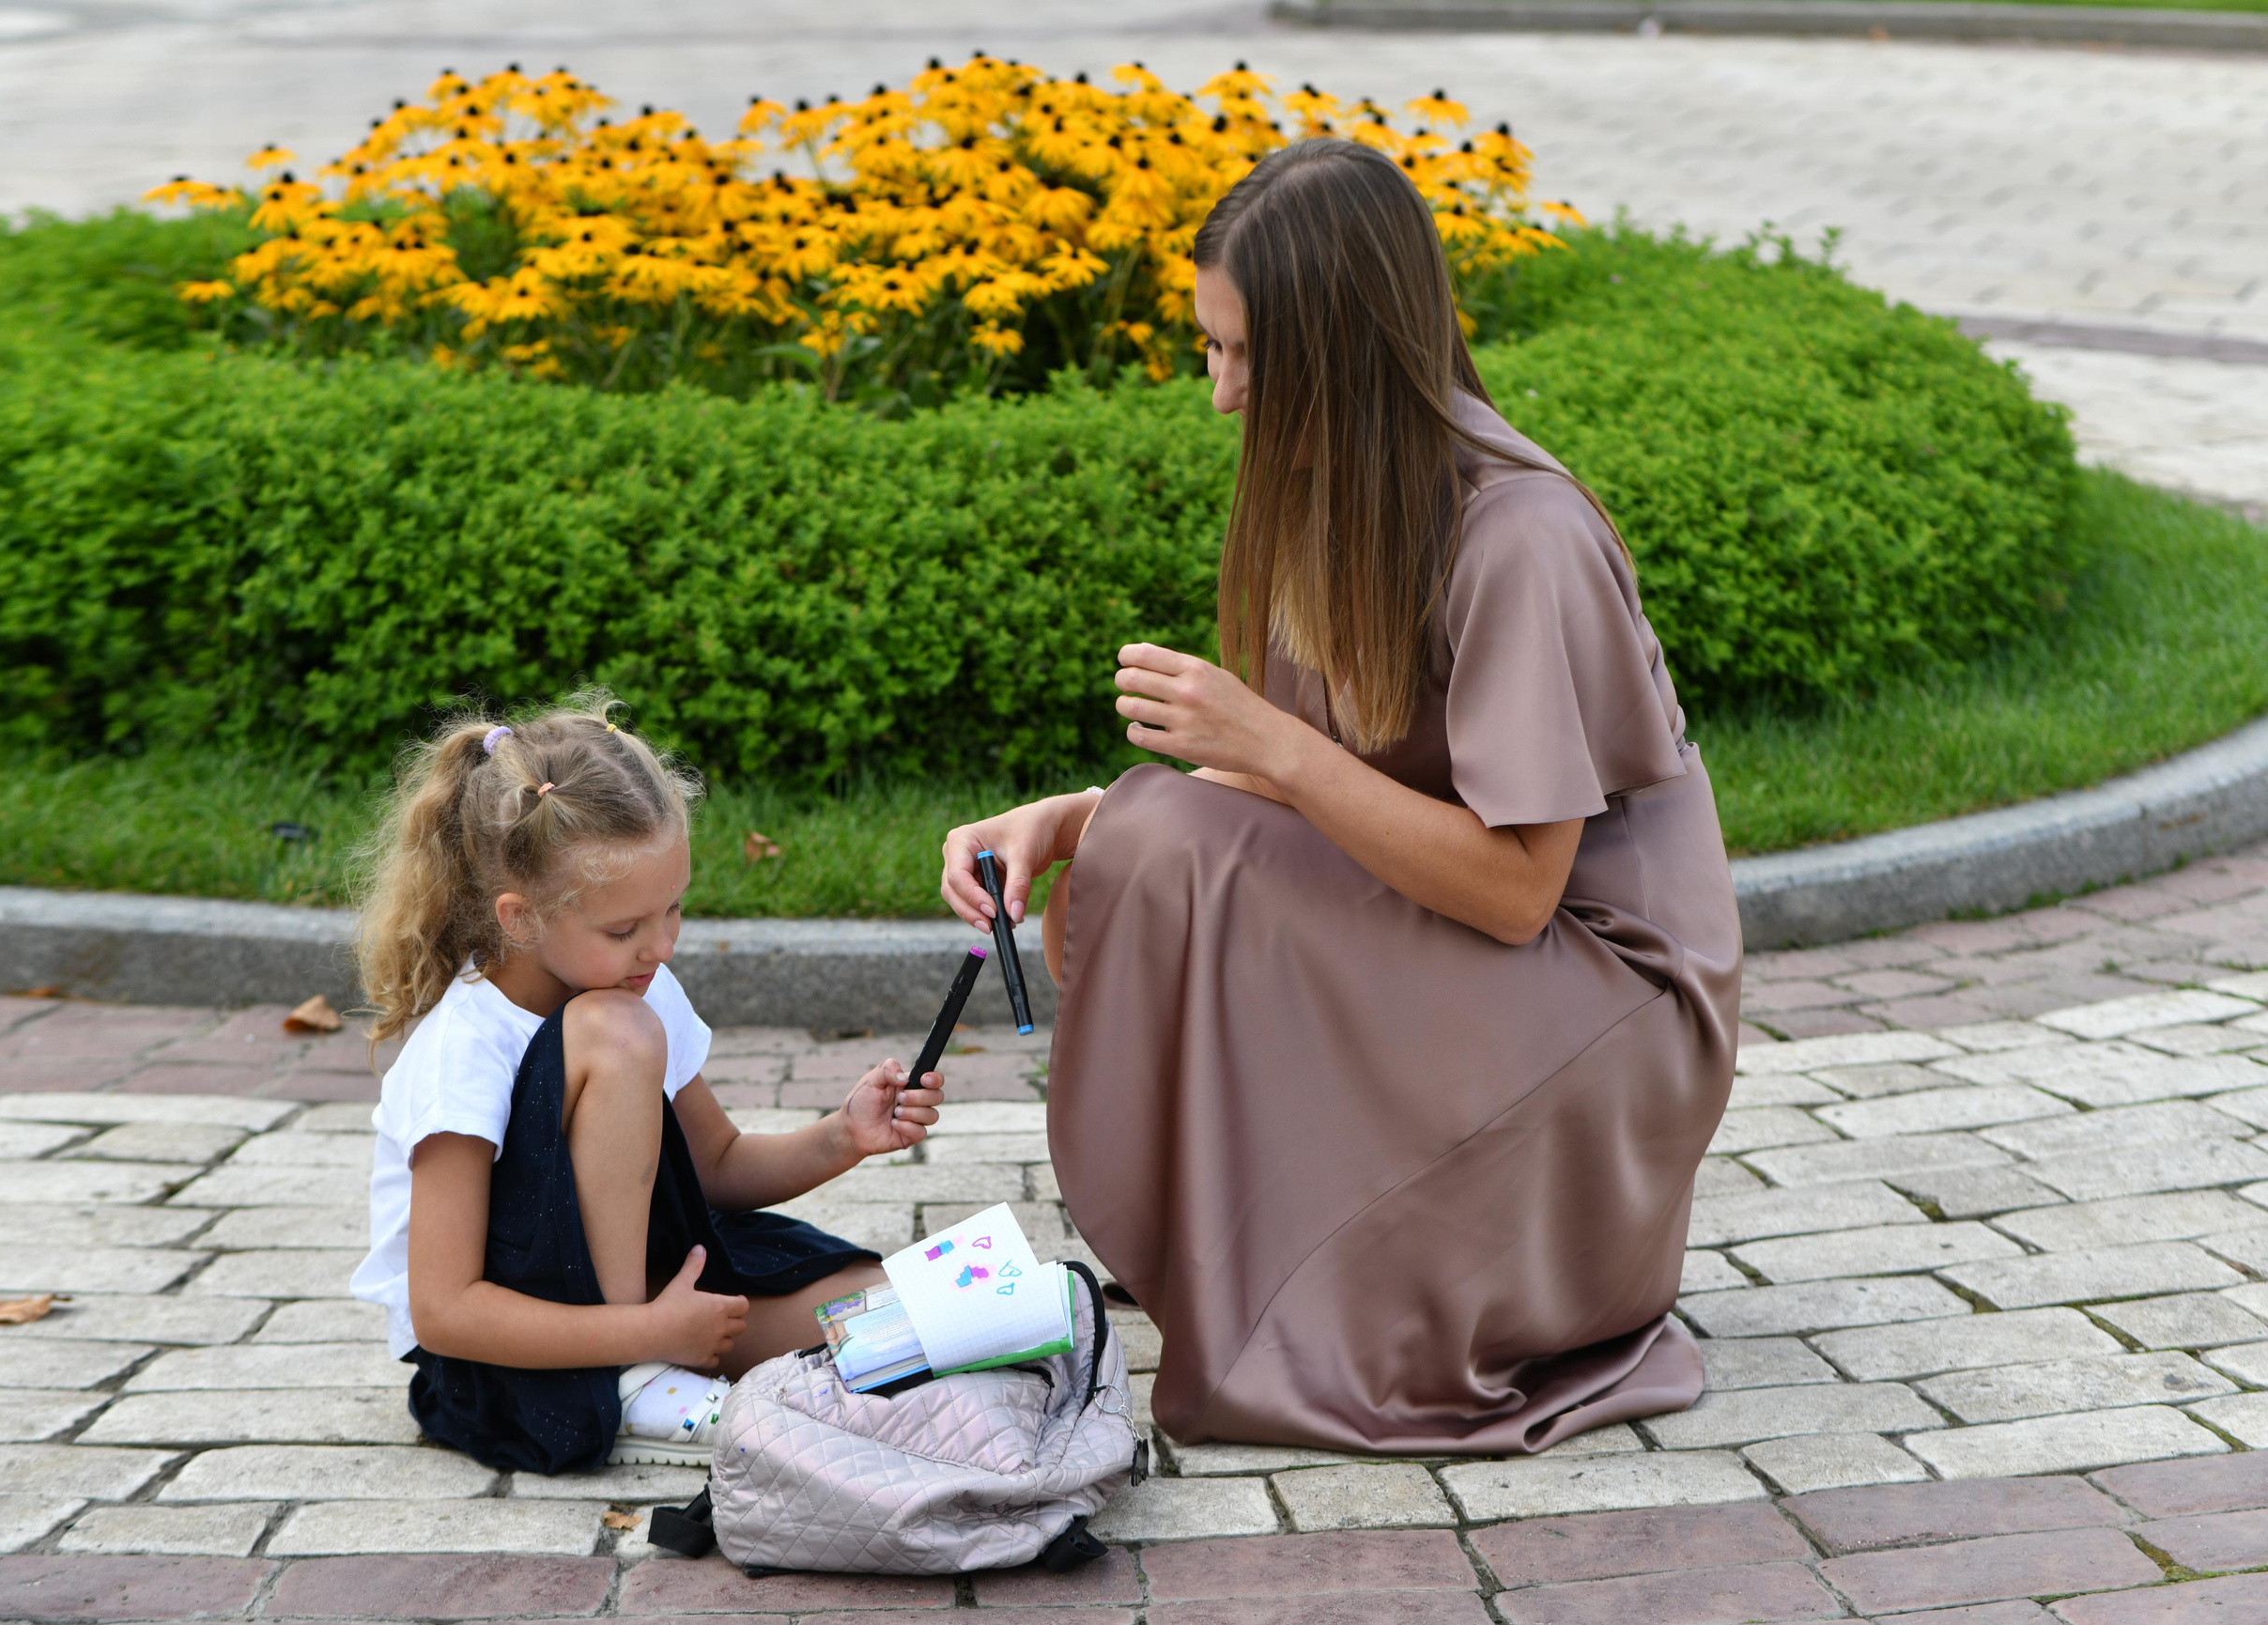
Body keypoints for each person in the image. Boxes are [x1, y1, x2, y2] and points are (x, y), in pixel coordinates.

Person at [938, 140, 1739, 1455]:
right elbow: (1262, 804)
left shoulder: (1519, 535)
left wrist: (1266, 751)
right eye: (1210, 349)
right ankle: (1263, 1231)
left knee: (1162, 833)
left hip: (1606, 1015)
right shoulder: (1342, 501)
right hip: (1501, 972)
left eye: (1250, 358)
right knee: (1141, 842)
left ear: (1349, 352)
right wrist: (1066, 822)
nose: (1221, 395)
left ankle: (1404, 1253)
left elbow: (1516, 888)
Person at [348, 694, 942, 1474]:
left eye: (674, 911)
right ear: (519, 918)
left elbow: (718, 1166)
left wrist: (844, 1137)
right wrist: (647, 1337)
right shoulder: (467, 1045)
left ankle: (663, 1366)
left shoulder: (638, 981)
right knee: (614, 1030)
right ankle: (634, 1382)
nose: (658, 948)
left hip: (658, 1295)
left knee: (905, 1319)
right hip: (515, 1361)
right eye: (624, 929)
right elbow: (446, 1311)